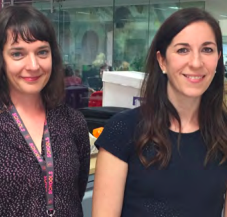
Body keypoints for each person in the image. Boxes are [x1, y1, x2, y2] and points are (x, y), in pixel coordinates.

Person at [92, 8, 227, 217]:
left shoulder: (224, 131)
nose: (196, 62)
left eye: (207, 50)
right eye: (183, 50)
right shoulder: (123, 131)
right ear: (162, 60)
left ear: (218, 58)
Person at [0, 5, 90, 217]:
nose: (33, 65)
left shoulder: (72, 122)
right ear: (0, 59)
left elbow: (75, 194)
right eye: (17, 54)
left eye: (42, 52)